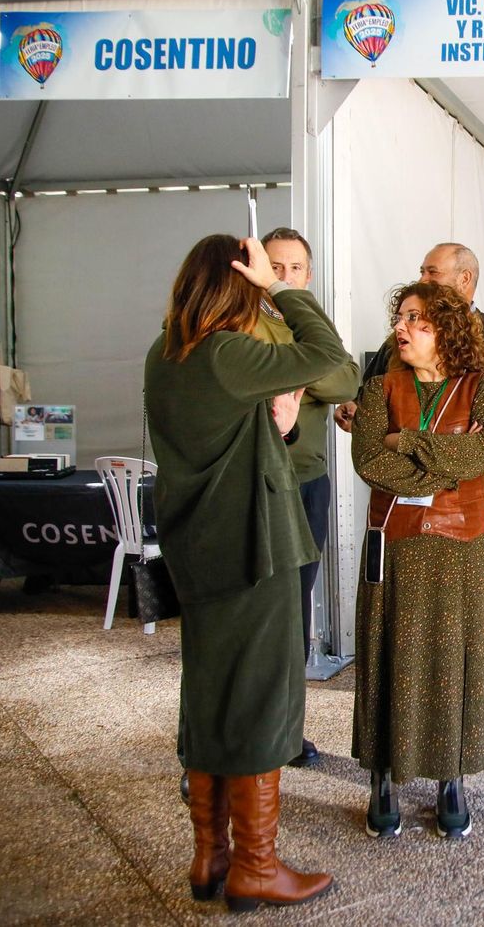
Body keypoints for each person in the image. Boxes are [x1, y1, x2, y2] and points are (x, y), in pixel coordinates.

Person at [145, 235, 345, 911]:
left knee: (209, 694)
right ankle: (256, 866)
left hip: (198, 548)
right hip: (253, 548)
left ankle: (211, 856)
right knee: (261, 696)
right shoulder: (227, 353)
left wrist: (279, 430)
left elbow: (224, 438)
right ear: (240, 284)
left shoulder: (165, 352)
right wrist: (281, 289)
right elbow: (328, 354)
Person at [339, 242, 484, 732]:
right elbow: (371, 439)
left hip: (481, 494)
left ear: (465, 279)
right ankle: (407, 709)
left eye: (432, 272)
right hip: (402, 505)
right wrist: (449, 463)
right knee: (406, 604)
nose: (423, 278)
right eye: (422, 272)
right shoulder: (394, 352)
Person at [350, 280, 484, 841]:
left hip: (463, 544)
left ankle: (451, 777)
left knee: (453, 659)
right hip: (394, 541)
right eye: (400, 317)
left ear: (447, 329)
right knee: (386, 653)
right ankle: (382, 777)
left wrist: (405, 441)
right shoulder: (379, 388)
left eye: (416, 318)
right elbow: (369, 460)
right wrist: (443, 469)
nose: (402, 327)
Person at [253, 227, 360, 768]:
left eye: (295, 268)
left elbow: (347, 382)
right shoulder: (245, 320)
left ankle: (287, 730)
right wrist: (316, 366)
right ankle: (256, 729)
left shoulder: (309, 317)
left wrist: (303, 369)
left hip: (310, 479)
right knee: (261, 608)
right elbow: (325, 374)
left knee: (297, 604)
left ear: (308, 274)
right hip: (262, 481)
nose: (284, 277)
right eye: (275, 266)